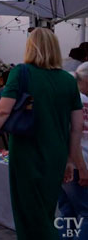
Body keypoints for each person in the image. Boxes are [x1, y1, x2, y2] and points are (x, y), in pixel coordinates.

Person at [0, 28, 88, 240]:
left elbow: (2, 110)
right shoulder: (68, 80)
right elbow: (76, 127)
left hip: (27, 153)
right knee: (45, 212)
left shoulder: (22, 73)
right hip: (55, 154)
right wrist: (71, 160)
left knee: (29, 214)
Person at [57, 62, 88, 240]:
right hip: (79, 163)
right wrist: (82, 167)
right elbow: (76, 136)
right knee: (85, 213)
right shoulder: (81, 101)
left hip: (62, 162)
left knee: (67, 212)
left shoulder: (63, 98)